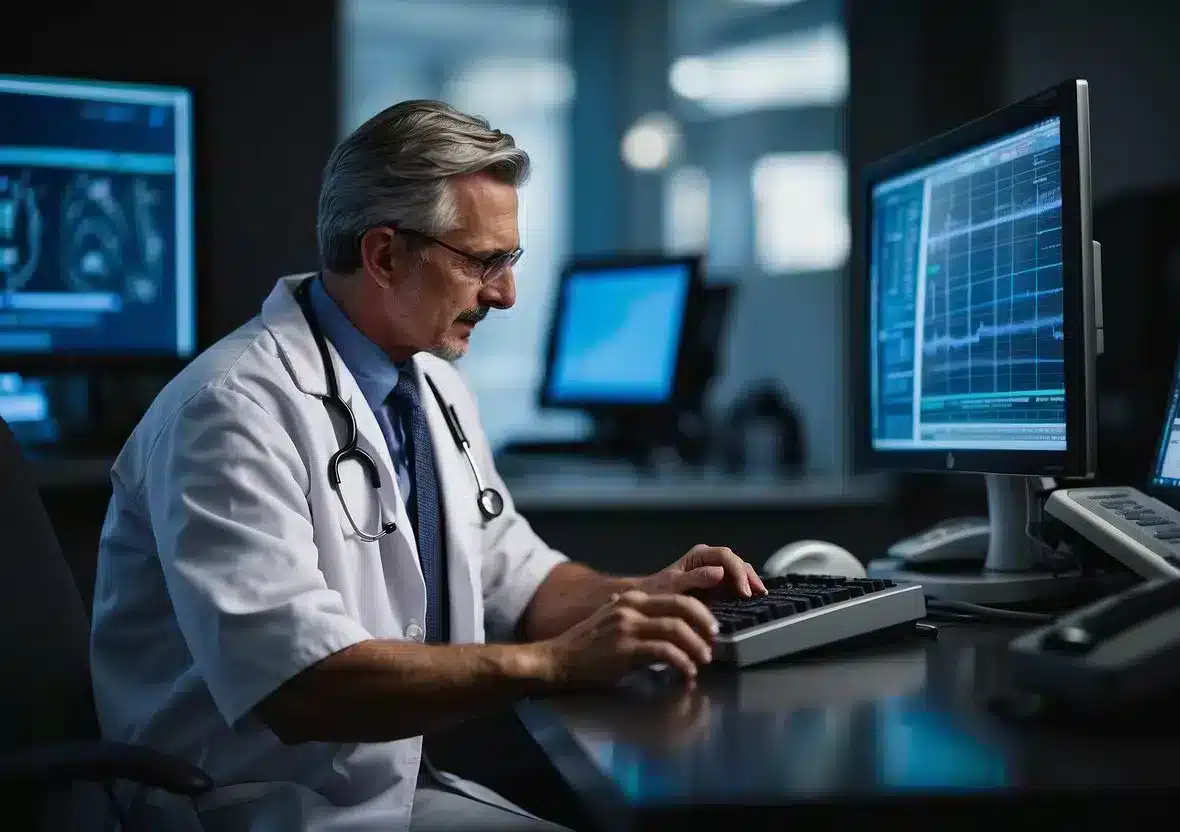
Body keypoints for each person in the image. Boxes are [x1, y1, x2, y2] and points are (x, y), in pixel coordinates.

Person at [89, 99, 766, 831]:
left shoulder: (431, 385)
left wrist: (647, 599)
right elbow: (302, 686)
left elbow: (519, 579)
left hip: (389, 792)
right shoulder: (228, 410)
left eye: (510, 261)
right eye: (482, 262)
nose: (505, 294)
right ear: (383, 256)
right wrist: (557, 663)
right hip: (253, 806)